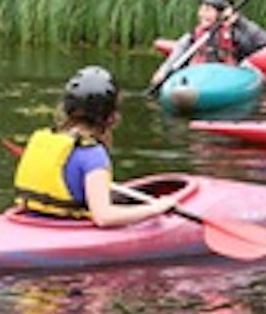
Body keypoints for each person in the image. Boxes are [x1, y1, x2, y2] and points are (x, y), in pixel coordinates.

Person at [13, 66, 177, 227]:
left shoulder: (47, 139)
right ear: (111, 116)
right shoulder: (92, 154)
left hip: (33, 219)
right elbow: (104, 217)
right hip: (64, 228)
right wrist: (155, 209)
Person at [149, 0, 266, 88]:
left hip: (227, 79)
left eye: (208, 10)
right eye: (201, 9)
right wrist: (163, 71)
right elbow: (176, 56)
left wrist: (239, 20)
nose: (202, 14)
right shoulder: (192, 36)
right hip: (197, 79)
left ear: (221, 13)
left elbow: (263, 41)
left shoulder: (235, 35)